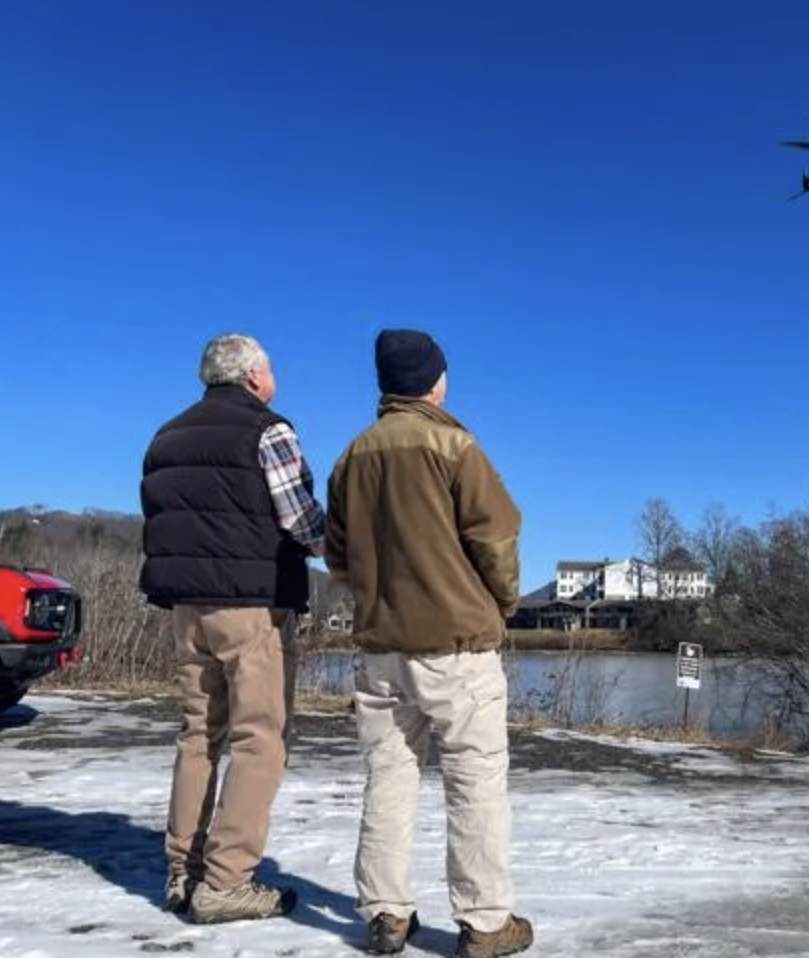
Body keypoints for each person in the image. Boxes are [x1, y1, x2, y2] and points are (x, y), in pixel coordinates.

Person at [325, 329, 533, 957]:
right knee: (474, 781)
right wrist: (502, 604)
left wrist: (376, 598)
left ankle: (386, 913)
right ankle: (485, 922)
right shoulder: (455, 445)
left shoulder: (351, 457)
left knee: (389, 778)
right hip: (457, 647)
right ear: (435, 382)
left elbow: (338, 557)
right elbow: (496, 540)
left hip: (381, 648)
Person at [140, 333, 325, 924]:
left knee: (198, 733)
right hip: (251, 604)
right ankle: (226, 879)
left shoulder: (165, 437)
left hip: (187, 608)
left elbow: (161, 519)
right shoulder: (268, 431)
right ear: (251, 377)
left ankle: (183, 870)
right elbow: (302, 522)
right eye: (269, 369)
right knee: (260, 739)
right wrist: (340, 549)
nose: (274, 378)